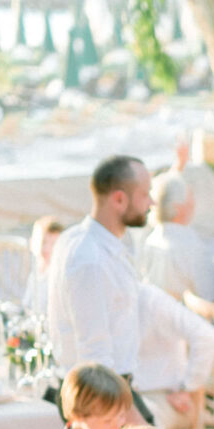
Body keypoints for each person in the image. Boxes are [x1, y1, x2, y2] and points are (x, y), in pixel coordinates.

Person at [47, 155, 153, 399]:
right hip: (101, 395)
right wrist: (122, 411)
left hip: (115, 385)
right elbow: (94, 352)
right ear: (119, 199)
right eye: (145, 194)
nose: (152, 202)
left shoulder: (86, 242)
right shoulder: (90, 259)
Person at [134, 283, 214, 429]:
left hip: (165, 397)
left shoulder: (150, 299)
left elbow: (207, 336)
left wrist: (188, 387)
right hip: (125, 397)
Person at [139, 170, 214, 303]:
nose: (193, 202)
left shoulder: (152, 240)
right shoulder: (189, 245)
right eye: (190, 196)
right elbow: (209, 294)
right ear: (179, 207)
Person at [24, 215, 65, 315]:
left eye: (53, 244)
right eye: (43, 242)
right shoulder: (35, 270)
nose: (47, 249)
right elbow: (27, 303)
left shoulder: (59, 274)